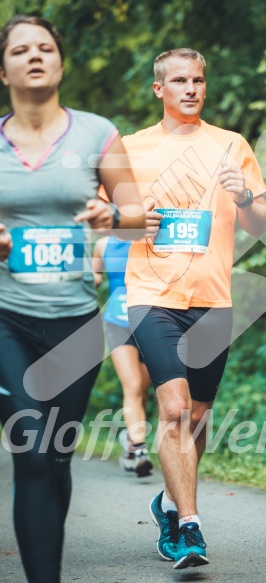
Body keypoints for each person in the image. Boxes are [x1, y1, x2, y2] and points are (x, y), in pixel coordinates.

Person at [0, 15, 145, 583]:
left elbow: (139, 218)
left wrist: (114, 215)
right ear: (4, 66)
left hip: (75, 326)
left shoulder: (95, 133)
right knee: (31, 453)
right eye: (20, 49)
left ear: (60, 62)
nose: (34, 56)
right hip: (7, 318)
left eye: (45, 48)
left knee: (53, 456)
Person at [122, 48, 266, 569]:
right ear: (159, 89)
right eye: (179, 80)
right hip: (151, 295)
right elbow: (105, 219)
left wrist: (247, 195)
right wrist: (132, 224)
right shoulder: (130, 147)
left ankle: (167, 502)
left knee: (197, 420)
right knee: (176, 410)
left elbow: (259, 225)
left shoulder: (232, 145)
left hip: (212, 299)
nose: (191, 88)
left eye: (198, 80)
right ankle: (188, 528)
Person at [93, 235, 153, 477]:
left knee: (144, 389)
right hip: (117, 322)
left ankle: (130, 438)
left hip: (150, 320)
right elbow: (94, 276)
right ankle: (140, 450)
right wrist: (91, 279)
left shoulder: (152, 238)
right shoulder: (103, 244)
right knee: (134, 385)